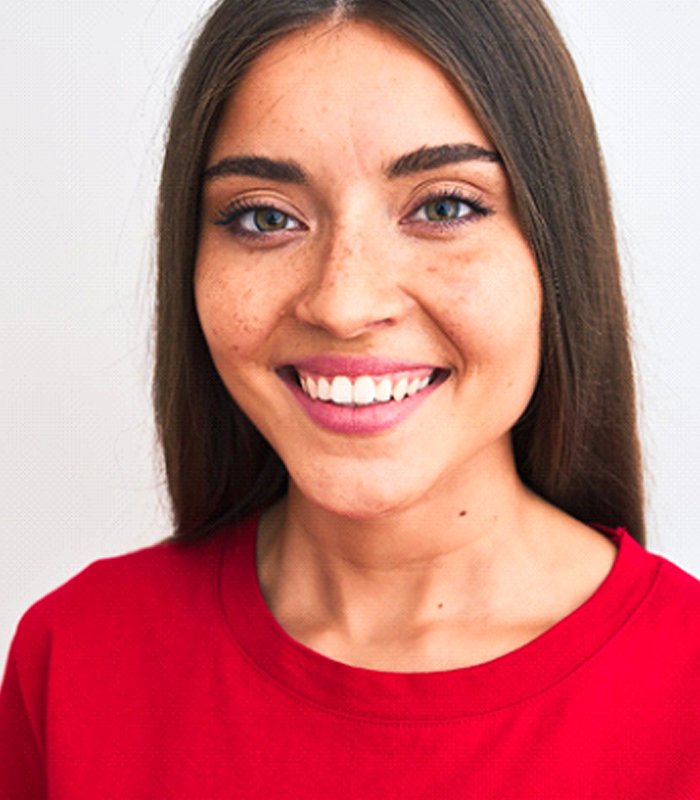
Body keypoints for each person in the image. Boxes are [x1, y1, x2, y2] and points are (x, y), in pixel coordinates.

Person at [1, 0, 698, 796]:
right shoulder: (75, 659)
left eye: (444, 207)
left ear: (555, 250)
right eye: (265, 217)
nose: (342, 300)